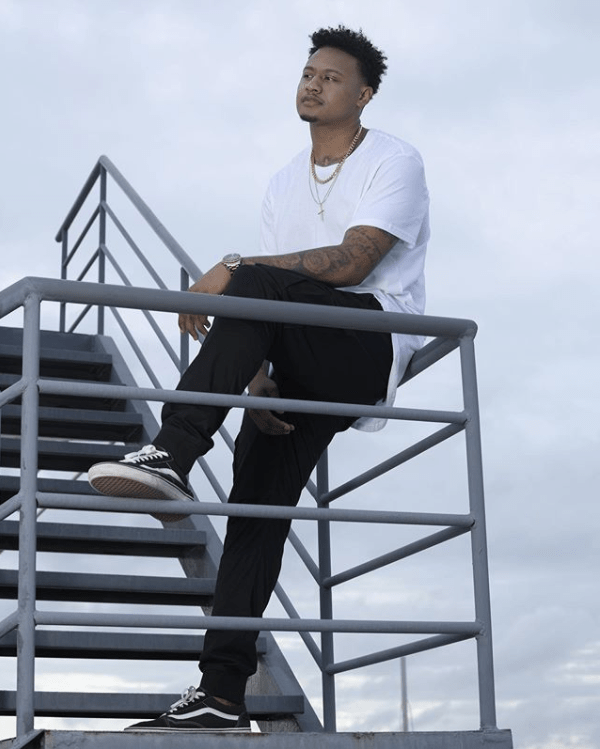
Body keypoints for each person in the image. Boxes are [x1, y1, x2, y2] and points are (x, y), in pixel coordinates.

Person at [88, 25, 430, 733]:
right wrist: (257, 381)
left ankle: (174, 450)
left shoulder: (394, 159)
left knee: (252, 278)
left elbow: (354, 262)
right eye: (308, 73)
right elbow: (266, 306)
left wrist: (235, 265)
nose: (313, 84)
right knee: (255, 509)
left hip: (366, 344)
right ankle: (221, 691)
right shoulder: (283, 181)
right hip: (297, 353)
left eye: (331, 77)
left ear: (363, 95)